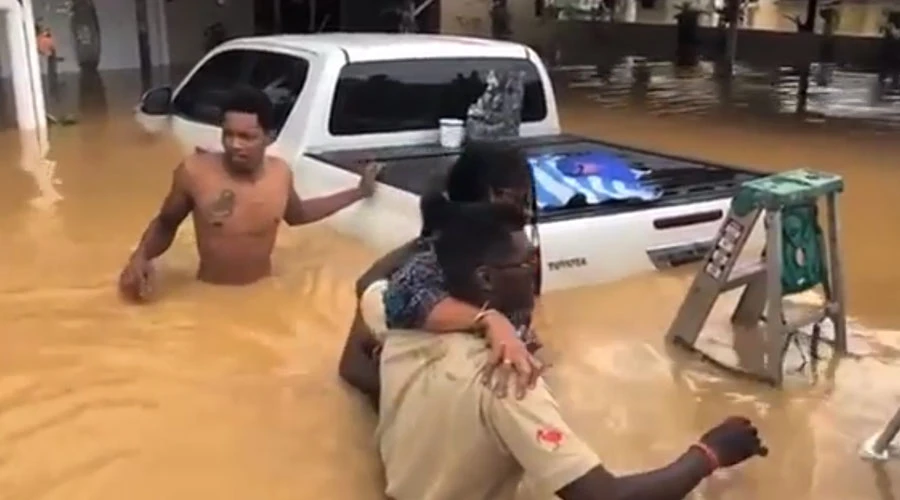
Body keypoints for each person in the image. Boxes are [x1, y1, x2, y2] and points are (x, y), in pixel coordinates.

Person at [377, 198, 769, 500]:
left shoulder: (398, 322)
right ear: (486, 279)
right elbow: (603, 498)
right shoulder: (510, 380)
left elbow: (355, 359)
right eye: (527, 261)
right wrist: (709, 453)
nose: (538, 270)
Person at [119, 85, 379, 300]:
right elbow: (166, 223)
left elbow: (298, 214)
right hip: (209, 296)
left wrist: (358, 192)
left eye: (247, 137)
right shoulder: (195, 172)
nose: (235, 144)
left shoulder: (280, 173)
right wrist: (140, 257)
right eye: (228, 134)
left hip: (263, 294)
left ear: (269, 137)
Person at [338, 142, 541, 407]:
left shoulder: (516, 258)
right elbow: (353, 368)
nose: (527, 212)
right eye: (518, 200)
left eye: (528, 201)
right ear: (489, 197)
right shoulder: (415, 269)